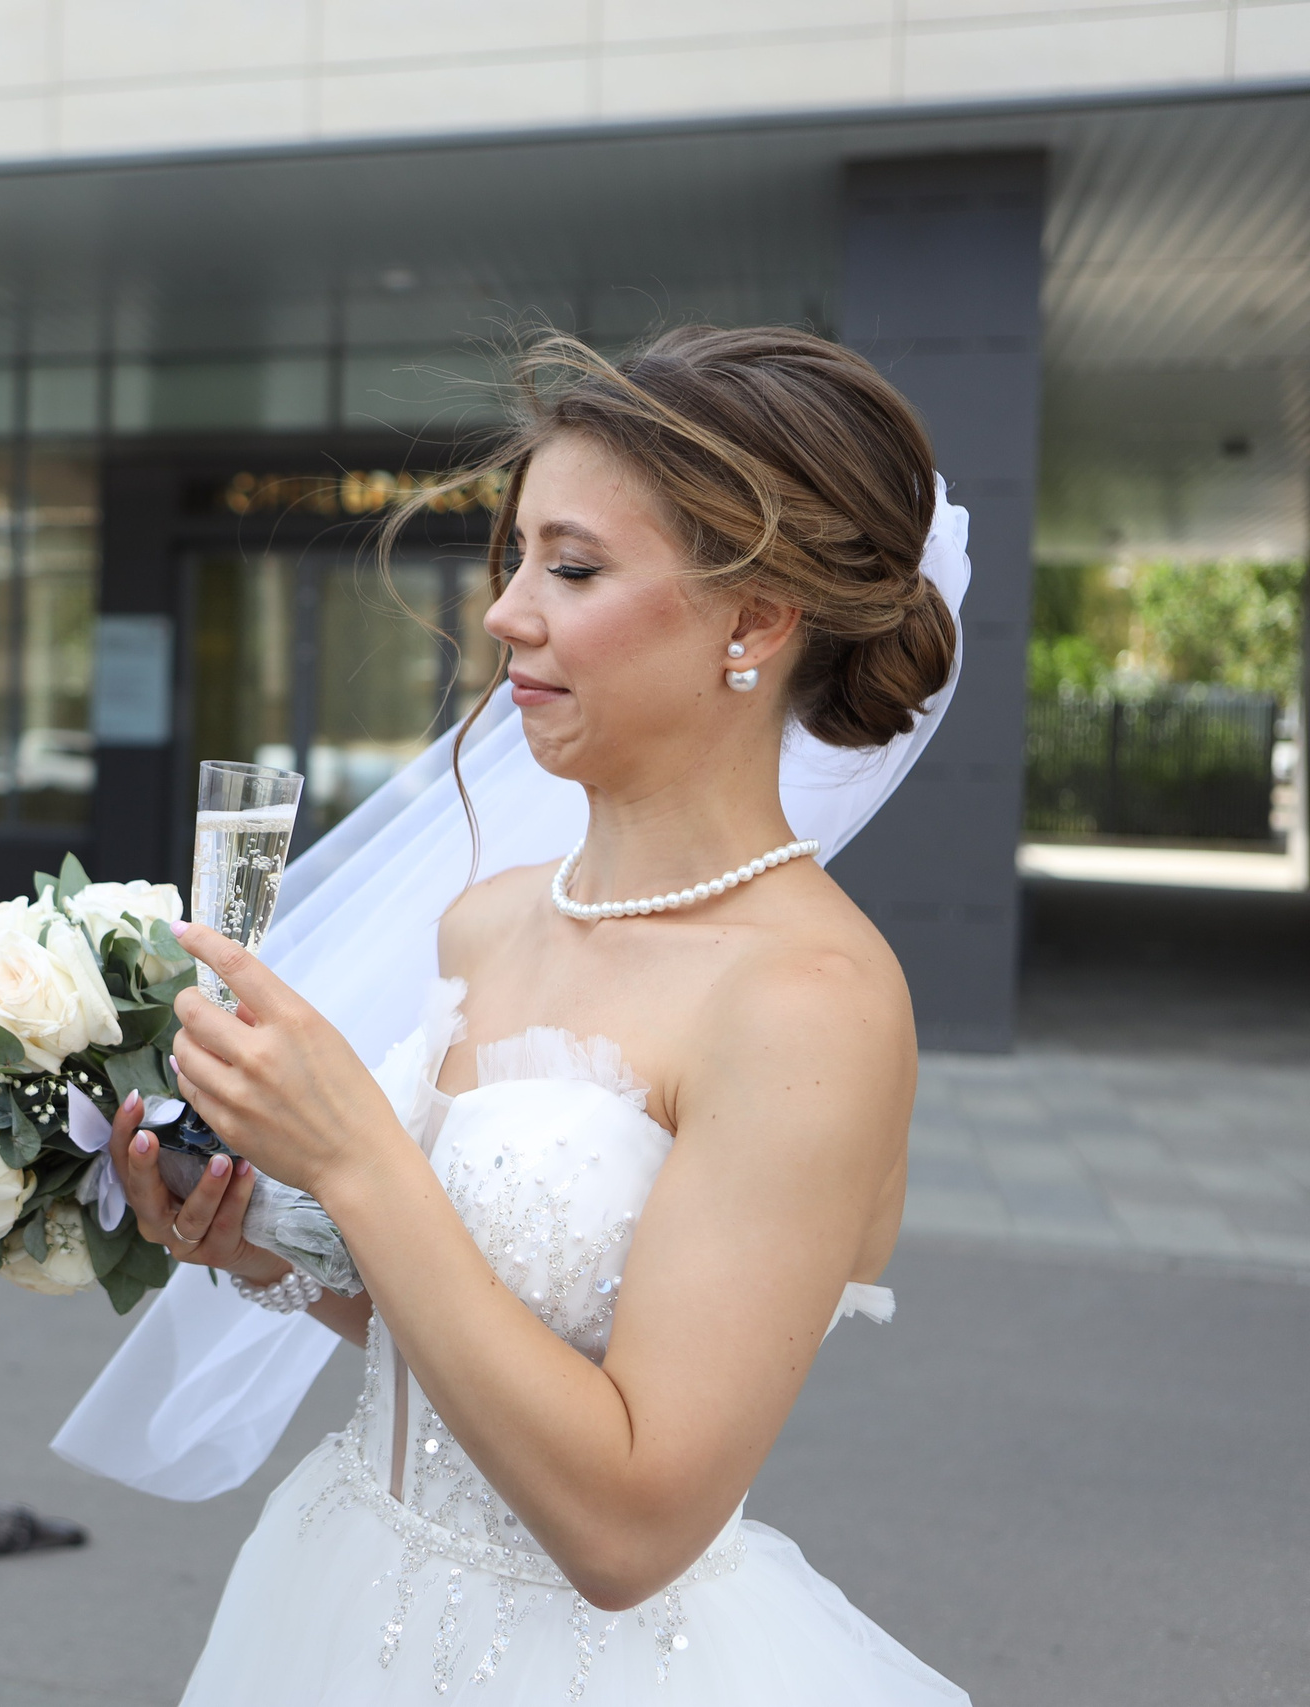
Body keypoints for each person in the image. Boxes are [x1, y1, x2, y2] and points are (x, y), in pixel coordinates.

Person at [76, 327, 974, 1702]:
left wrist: (355, 1161)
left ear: (754, 622)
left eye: (574, 568)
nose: (503, 614)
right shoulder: (487, 920)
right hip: (341, 1595)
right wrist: (267, 1247)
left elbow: (630, 1531)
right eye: (517, 560)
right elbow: (467, 1341)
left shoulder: (808, 1003)